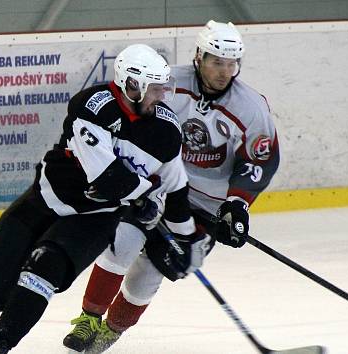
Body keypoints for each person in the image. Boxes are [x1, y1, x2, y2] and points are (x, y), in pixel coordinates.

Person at [0, 43, 211, 354]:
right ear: (132, 85)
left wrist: (186, 238)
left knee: (43, 269)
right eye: (154, 88)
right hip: (45, 200)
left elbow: (175, 189)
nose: (162, 96)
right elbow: (105, 177)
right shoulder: (92, 106)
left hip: (95, 218)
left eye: (164, 88)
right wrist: (142, 195)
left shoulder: (166, 130)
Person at [63, 20, 281, 353]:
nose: (225, 71)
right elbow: (128, 119)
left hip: (208, 205)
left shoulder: (251, 107)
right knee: (122, 242)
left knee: (153, 270)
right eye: (217, 61)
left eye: (231, 63)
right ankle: (88, 320)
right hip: (158, 188)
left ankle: (112, 331)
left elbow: (260, 160)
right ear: (199, 57)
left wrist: (237, 205)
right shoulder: (165, 83)